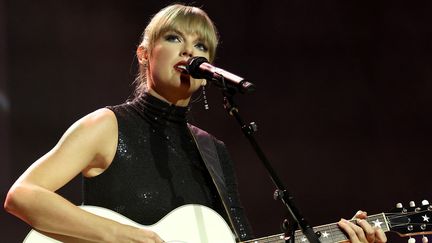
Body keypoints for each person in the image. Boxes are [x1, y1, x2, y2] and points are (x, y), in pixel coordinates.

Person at [4, 4, 387, 243]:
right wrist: (124, 236)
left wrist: (338, 239)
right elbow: (22, 195)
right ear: (144, 55)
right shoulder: (107, 126)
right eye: (174, 38)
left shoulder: (212, 151)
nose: (190, 51)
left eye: (201, 46)